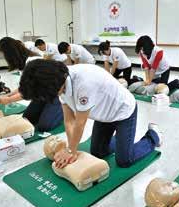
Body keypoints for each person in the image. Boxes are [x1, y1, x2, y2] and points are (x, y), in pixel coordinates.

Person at [18, 59, 162, 168]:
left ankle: (153, 136)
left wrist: (71, 150)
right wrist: (70, 148)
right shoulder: (58, 82)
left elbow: (80, 123)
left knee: (124, 160)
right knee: (98, 152)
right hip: (103, 115)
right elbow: (69, 120)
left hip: (123, 111)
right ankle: (123, 139)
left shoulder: (83, 83)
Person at [0, 37, 63, 132]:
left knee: (44, 126)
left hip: (58, 93)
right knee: (28, 119)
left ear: (10, 54)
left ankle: (64, 110)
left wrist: (9, 100)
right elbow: (25, 87)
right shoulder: (25, 64)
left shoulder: (33, 61)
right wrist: (8, 95)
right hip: (43, 94)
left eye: (4, 54)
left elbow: (31, 91)